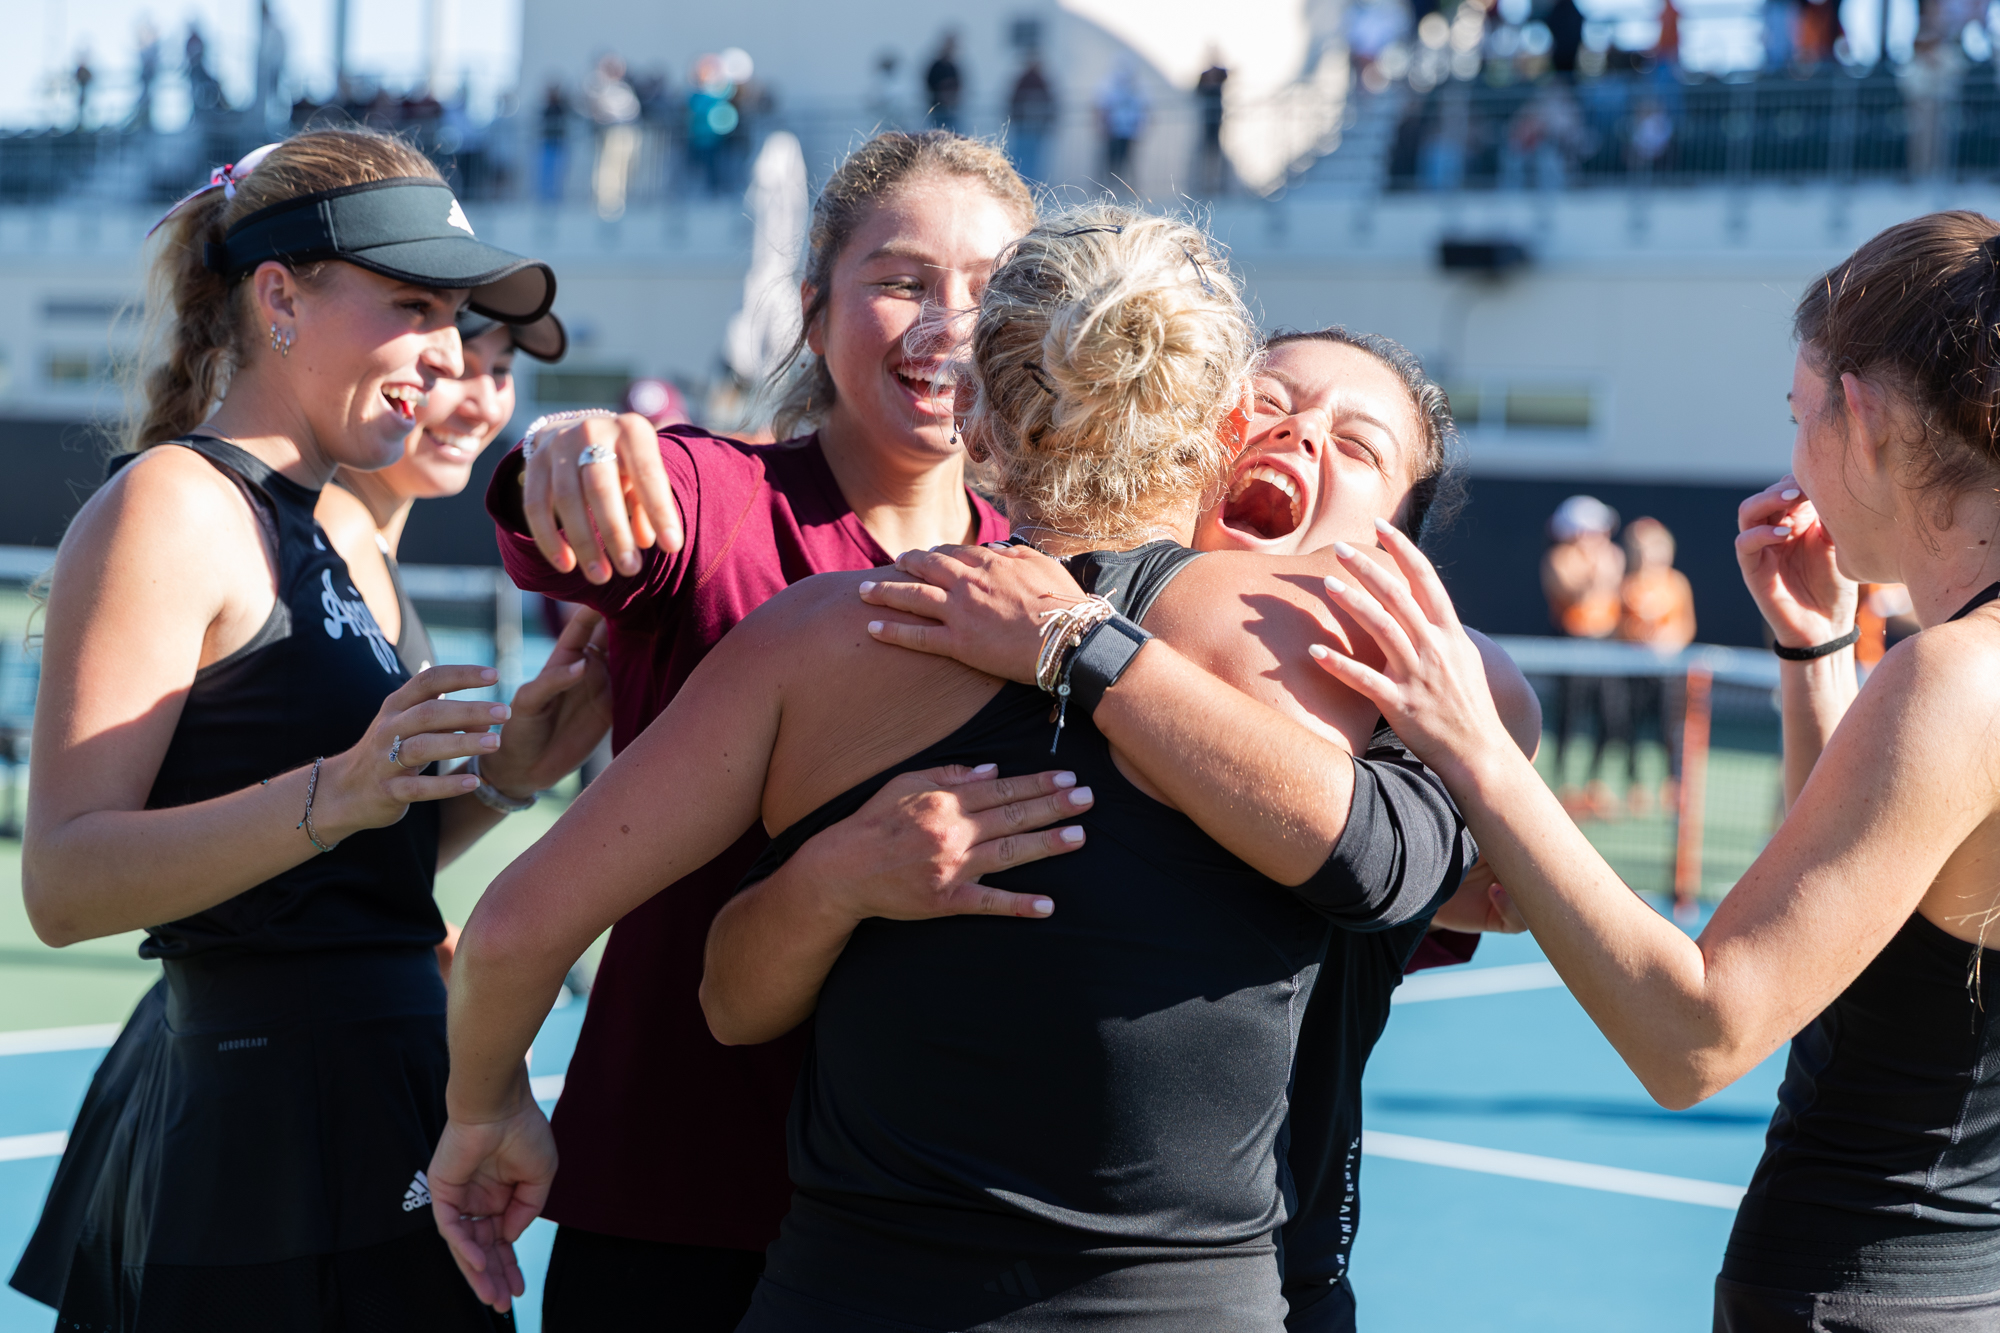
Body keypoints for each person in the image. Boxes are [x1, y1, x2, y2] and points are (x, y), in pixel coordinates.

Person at [432, 205, 1533, 1329]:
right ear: (1228, 420)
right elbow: (1440, 829)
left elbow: (516, 931)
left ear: (973, 413)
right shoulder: (1343, 650)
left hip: (848, 1293)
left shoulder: (813, 636)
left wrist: (485, 1112)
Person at [1307, 210, 2000, 1330]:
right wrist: (1813, 652)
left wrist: (1471, 741)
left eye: (1797, 417)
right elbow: (1870, 904)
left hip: (1862, 1286)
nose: (1792, 460)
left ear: (1860, 422)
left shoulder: (1952, 681)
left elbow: (1699, 1035)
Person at [1, 128, 601, 1331]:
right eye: (413, 306)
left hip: (376, 1100)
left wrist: (507, 776)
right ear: (278, 295)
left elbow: (337, 879)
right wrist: (346, 784)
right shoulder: (174, 505)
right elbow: (65, 883)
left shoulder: (327, 525)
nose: (446, 354)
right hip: (260, 1136)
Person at [837, 325, 1530, 1331]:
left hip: (1255, 1289)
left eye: (1358, 442)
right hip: (919, 1272)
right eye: (1271, 398)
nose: (1298, 432)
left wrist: (1083, 644)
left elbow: (1488, 853)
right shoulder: (993, 610)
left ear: (1396, 546)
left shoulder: (1411, 714)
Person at [471, 130, 1031, 1332]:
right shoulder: (722, 497)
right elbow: (592, 503)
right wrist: (561, 453)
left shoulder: (1050, 578)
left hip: (938, 1228)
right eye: (900, 281)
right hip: (682, 1212)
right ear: (812, 311)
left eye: (990, 290)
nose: (948, 323)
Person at [1543, 494, 1624, 815]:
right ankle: (1563, 786)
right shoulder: (1559, 559)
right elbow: (1578, 594)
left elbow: (1612, 598)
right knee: (1569, 717)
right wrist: (1596, 571)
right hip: (1573, 646)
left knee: (1610, 717)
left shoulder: (1612, 556)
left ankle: (1595, 785)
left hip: (1606, 647)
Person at [1612, 515, 1695, 812]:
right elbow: (1617, 628)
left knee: (1671, 730)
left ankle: (1674, 785)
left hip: (1669, 673)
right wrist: (1637, 638)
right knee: (1630, 728)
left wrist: (1671, 642)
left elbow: (1686, 626)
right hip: (1634, 673)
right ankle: (1635, 785)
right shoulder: (1626, 585)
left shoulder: (1677, 584)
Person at [1096, 58, 1150, 186]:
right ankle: (1107, 187)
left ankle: (1126, 188)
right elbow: (1102, 108)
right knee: (1110, 162)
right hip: (1113, 131)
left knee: (1128, 161)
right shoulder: (1109, 88)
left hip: (1128, 132)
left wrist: (1140, 130)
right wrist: (1102, 128)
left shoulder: (1137, 90)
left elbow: (1143, 109)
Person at [1007, 53, 1057, 184]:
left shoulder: (1034, 80)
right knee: (1024, 158)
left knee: (1027, 158)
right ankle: (1024, 184)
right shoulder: (1029, 80)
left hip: (1032, 126)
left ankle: (1027, 185)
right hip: (1025, 126)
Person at [1196, 54, 1228, 195]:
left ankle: (1217, 184)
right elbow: (1198, 91)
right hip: (1205, 121)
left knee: (1216, 152)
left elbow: (1226, 77)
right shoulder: (1204, 75)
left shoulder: (1221, 73)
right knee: (1205, 152)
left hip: (1217, 122)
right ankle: (1204, 183)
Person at [925, 33, 964, 131]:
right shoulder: (935, 67)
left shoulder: (953, 67)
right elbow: (930, 84)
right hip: (937, 110)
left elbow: (959, 85)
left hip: (952, 110)